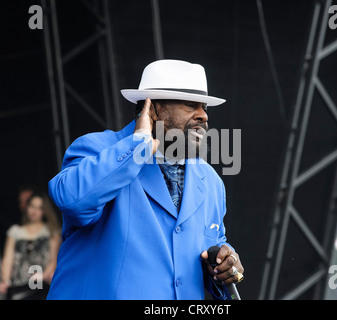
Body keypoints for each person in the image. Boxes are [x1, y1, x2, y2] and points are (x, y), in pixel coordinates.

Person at [47, 59, 244, 300]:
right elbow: (71, 200)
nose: (203, 116)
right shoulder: (98, 148)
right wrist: (138, 146)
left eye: (204, 107)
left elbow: (210, 244)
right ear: (154, 109)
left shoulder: (210, 181)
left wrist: (226, 263)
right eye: (191, 105)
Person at [0, 192, 61, 300]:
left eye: (39, 208)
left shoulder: (52, 231)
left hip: (42, 286)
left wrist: (43, 276)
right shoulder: (15, 231)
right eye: (32, 206)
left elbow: (54, 259)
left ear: (44, 210)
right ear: (27, 207)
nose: (34, 211)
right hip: (19, 286)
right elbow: (8, 260)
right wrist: (6, 281)